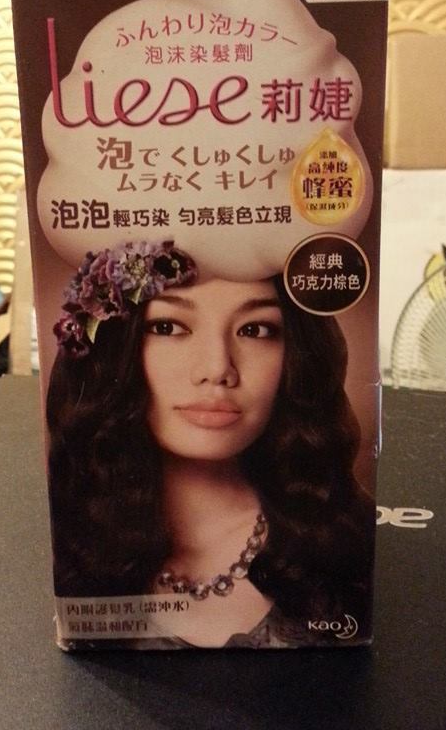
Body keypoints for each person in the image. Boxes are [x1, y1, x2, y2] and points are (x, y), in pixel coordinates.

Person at [47, 240, 374, 648]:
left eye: (255, 330)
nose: (218, 369)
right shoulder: (68, 535)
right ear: (114, 349)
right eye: (168, 327)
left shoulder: (343, 537)